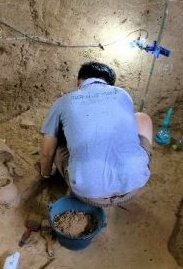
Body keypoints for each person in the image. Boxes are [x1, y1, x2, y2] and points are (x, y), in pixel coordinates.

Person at [38, 61, 153, 207]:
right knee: (142, 117)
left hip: (88, 195)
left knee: (57, 139)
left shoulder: (63, 102)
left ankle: (71, 178)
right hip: (135, 186)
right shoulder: (123, 94)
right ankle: (138, 166)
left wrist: (45, 174)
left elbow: (47, 152)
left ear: (79, 81)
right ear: (109, 84)